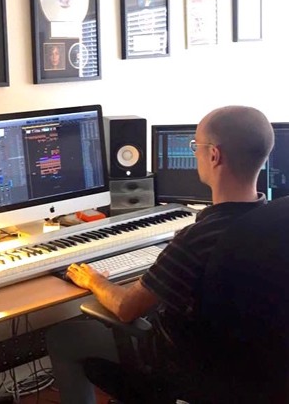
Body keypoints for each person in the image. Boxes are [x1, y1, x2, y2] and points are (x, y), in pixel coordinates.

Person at [46, 105, 274, 404]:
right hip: (253, 370)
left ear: (214, 156)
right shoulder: (274, 222)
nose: (195, 153)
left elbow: (126, 308)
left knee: (63, 337)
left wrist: (93, 280)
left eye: (196, 146)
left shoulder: (197, 238)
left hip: (181, 367)